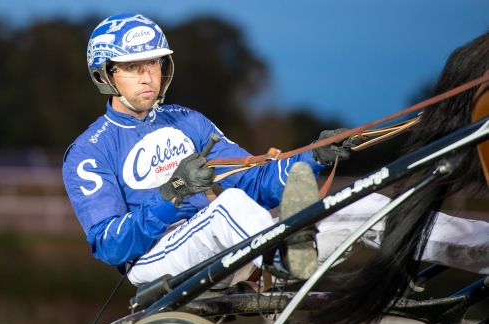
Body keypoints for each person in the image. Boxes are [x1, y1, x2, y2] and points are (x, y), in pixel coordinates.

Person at [63, 13, 489, 289]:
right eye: (134, 68)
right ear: (105, 74)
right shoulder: (89, 152)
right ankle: (284, 254)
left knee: (364, 205)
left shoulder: (188, 121)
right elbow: (109, 245)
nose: (148, 77)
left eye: (154, 64)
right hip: (157, 259)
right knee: (226, 205)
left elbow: (255, 181)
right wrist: (171, 196)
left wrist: (315, 156)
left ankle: (484, 252)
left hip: (233, 237)